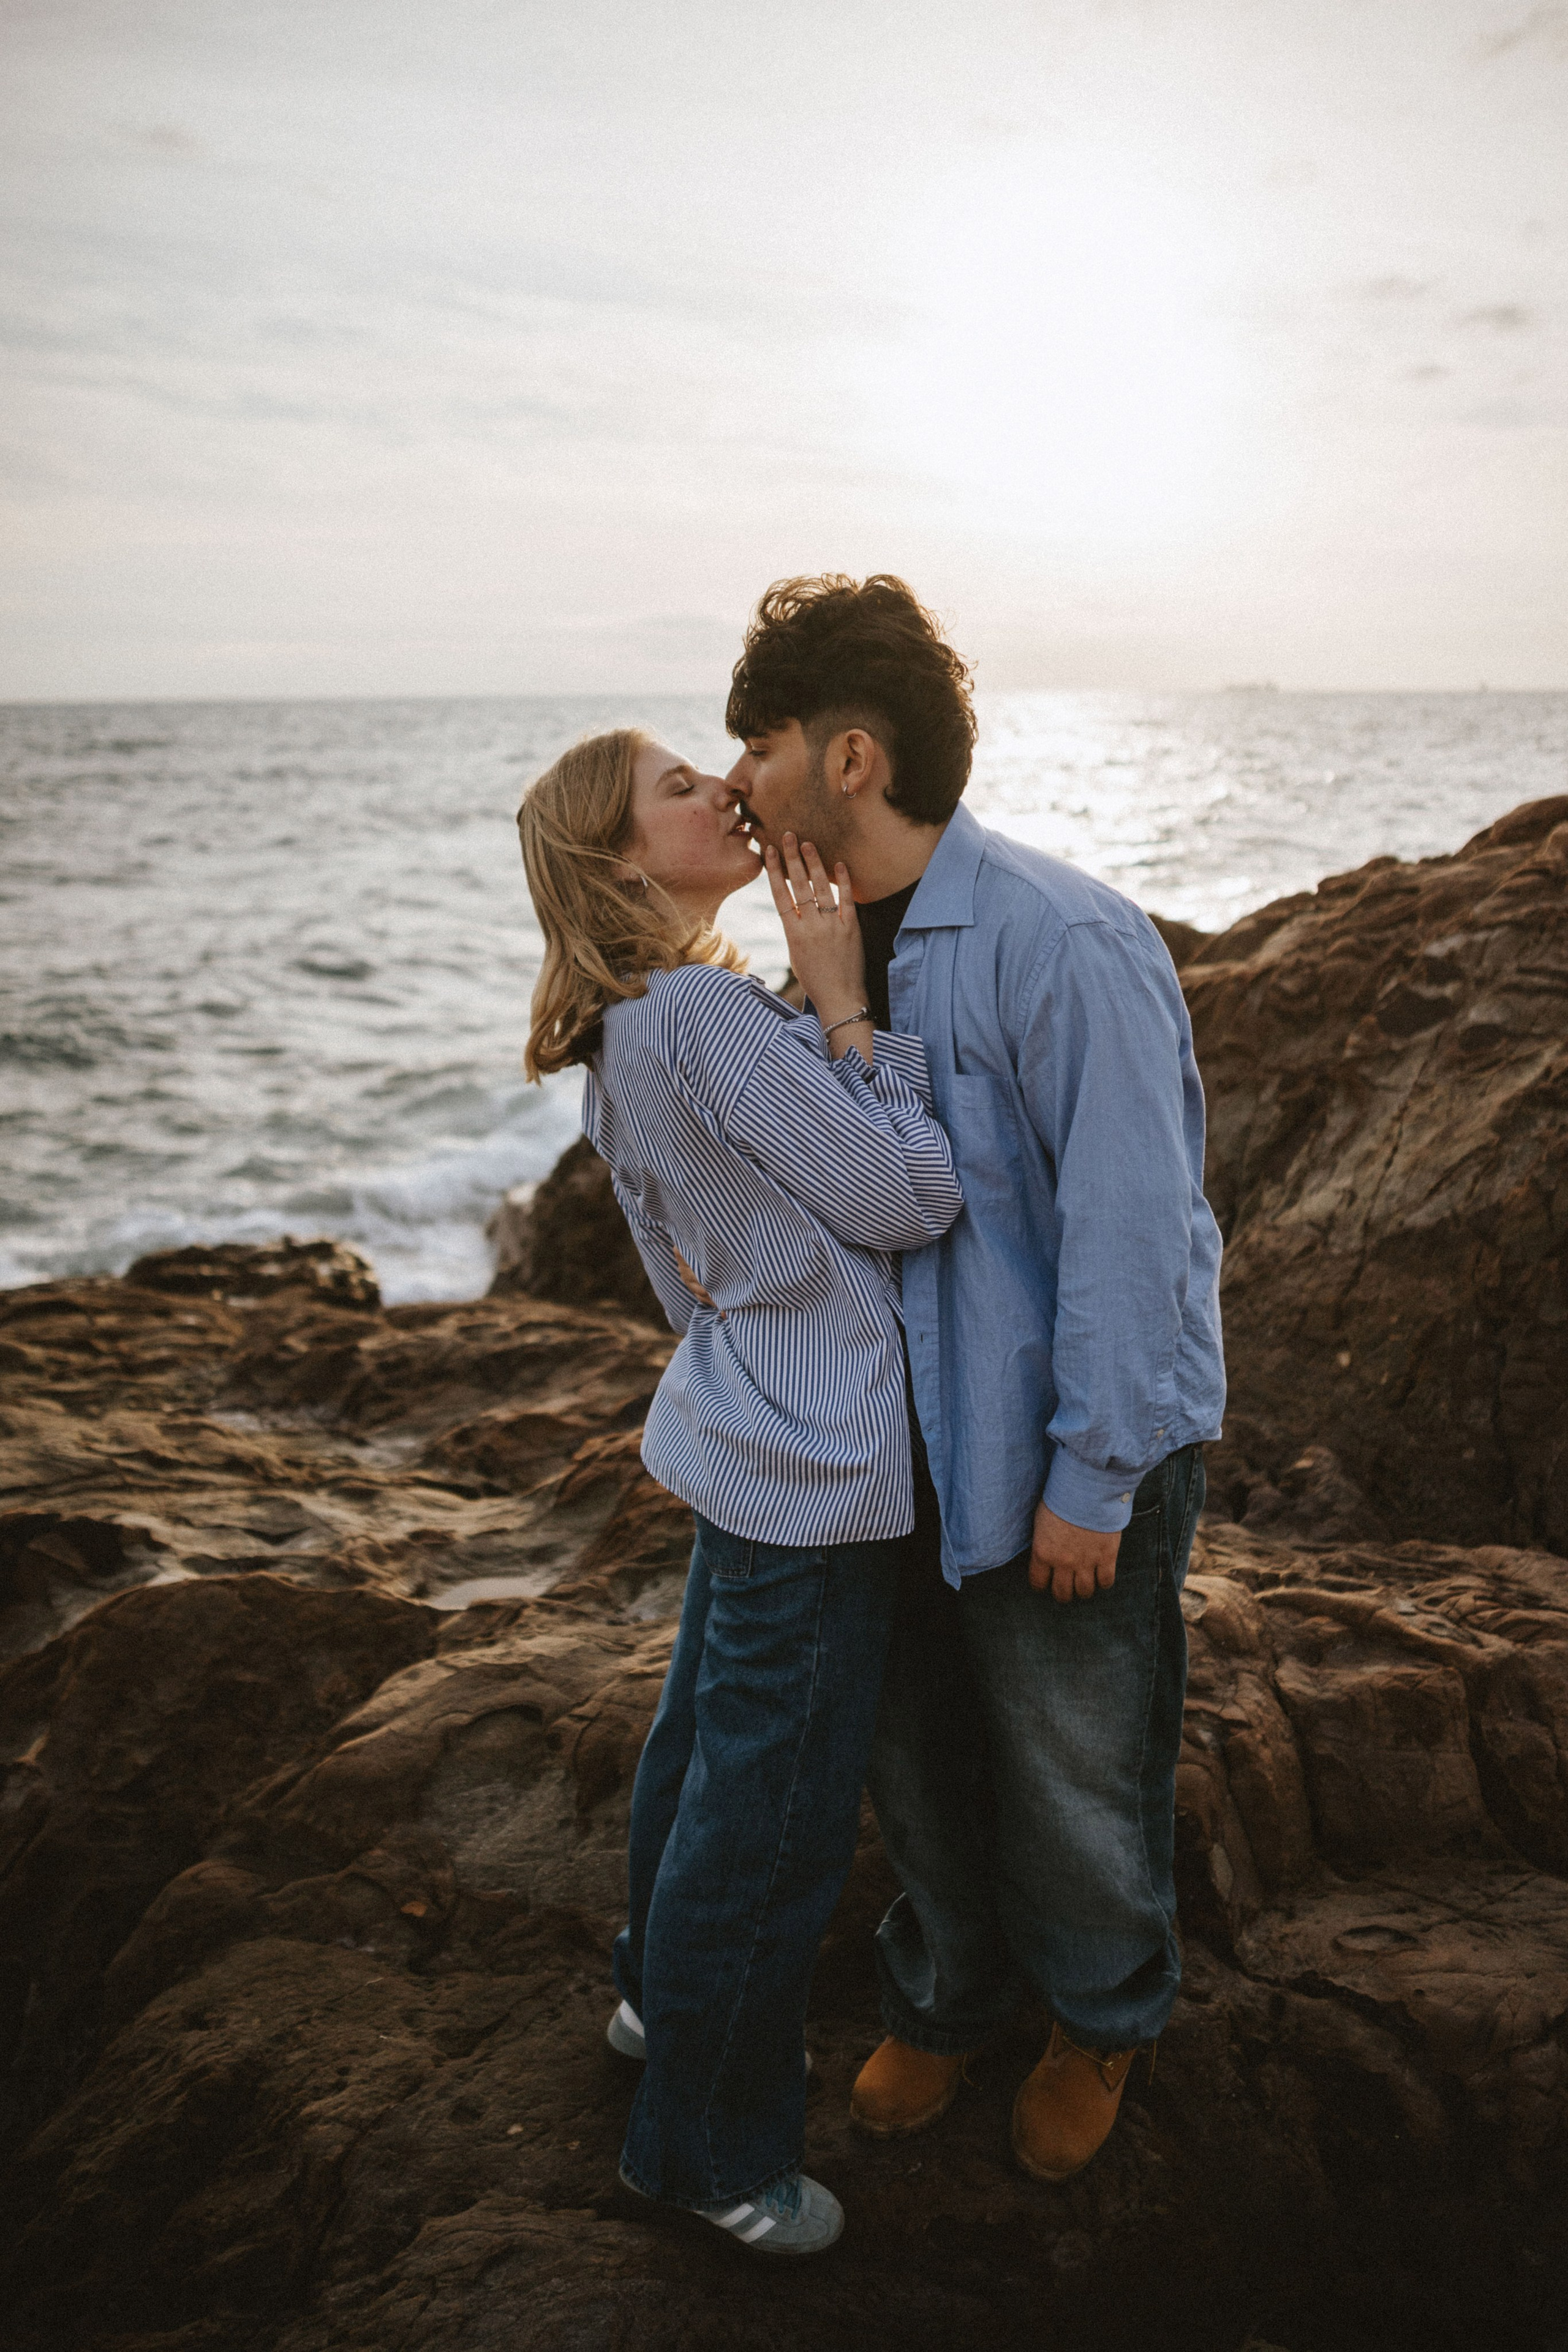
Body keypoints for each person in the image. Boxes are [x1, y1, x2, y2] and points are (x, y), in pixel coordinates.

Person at [725, 576, 1226, 2184]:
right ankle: (946, 2000)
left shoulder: (1064, 941)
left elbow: (1136, 1235)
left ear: (851, 758)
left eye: (761, 740)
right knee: (916, 1751)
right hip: (887, 1453)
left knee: (1076, 1761)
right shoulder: (817, 951)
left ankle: (1102, 2018)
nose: (736, 773)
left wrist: (1094, 1478)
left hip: (1047, 1443)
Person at [516, 728, 962, 2253]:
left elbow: (681, 1275)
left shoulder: (623, 1030)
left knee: (699, 1748)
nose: (717, 785)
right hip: (815, 1466)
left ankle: (656, 2004)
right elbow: (910, 1199)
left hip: (737, 1430)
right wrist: (845, 1011)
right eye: (675, 788)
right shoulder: (704, 1016)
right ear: (619, 854)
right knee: (766, 1824)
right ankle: (702, 2152)